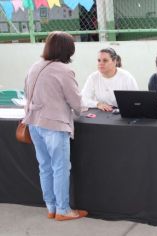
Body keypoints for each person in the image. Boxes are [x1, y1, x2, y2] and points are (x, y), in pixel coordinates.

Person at [23, 31, 88, 221]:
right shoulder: (64, 70)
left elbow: (27, 94)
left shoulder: (34, 66)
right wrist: (84, 109)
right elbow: (76, 101)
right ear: (68, 50)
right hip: (55, 125)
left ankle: (51, 208)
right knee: (60, 167)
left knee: (45, 167)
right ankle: (63, 210)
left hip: (34, 123)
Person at [81, 48, 139, 112]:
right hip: (101, 114)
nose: (101, 63)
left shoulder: (127, 77)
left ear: (114, 61)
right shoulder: (93, 77)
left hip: (123, 114)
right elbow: (83, 99)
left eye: (105, 60)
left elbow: (136, 100)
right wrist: (97, 104)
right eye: (99, 60)